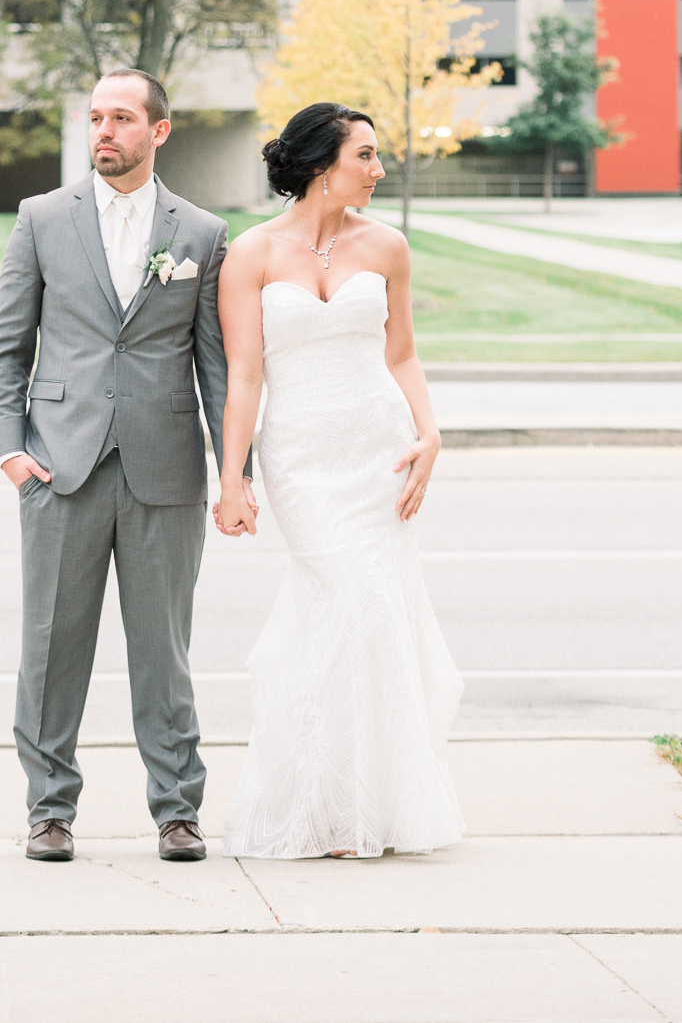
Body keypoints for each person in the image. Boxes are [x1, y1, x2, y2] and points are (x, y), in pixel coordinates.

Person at [0, 69, 255, 864]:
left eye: (123, 118)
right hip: (58, 468)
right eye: (97, 117)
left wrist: (232, 474)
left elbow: (216, 368)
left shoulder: (201, 233)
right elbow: (7, 347)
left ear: (158, 131)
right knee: (51, 646)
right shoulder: (41, 219)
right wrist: (10, 449)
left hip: (165, 471)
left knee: (163, 651)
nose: (105, 131)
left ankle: (177, 810)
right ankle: (49, 810)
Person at [214, 101, 465, 859]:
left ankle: (363, 807)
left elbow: (402, 355)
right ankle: (315, 800)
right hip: (301, 460)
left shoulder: (388, 246)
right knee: (347, 600)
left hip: (376, 450)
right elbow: (245, 376)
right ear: (324, 163)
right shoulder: (252, 254)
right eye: (367, 155)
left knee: (374, 613)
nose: (380, 169)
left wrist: (430, 432)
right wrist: (234, 477)